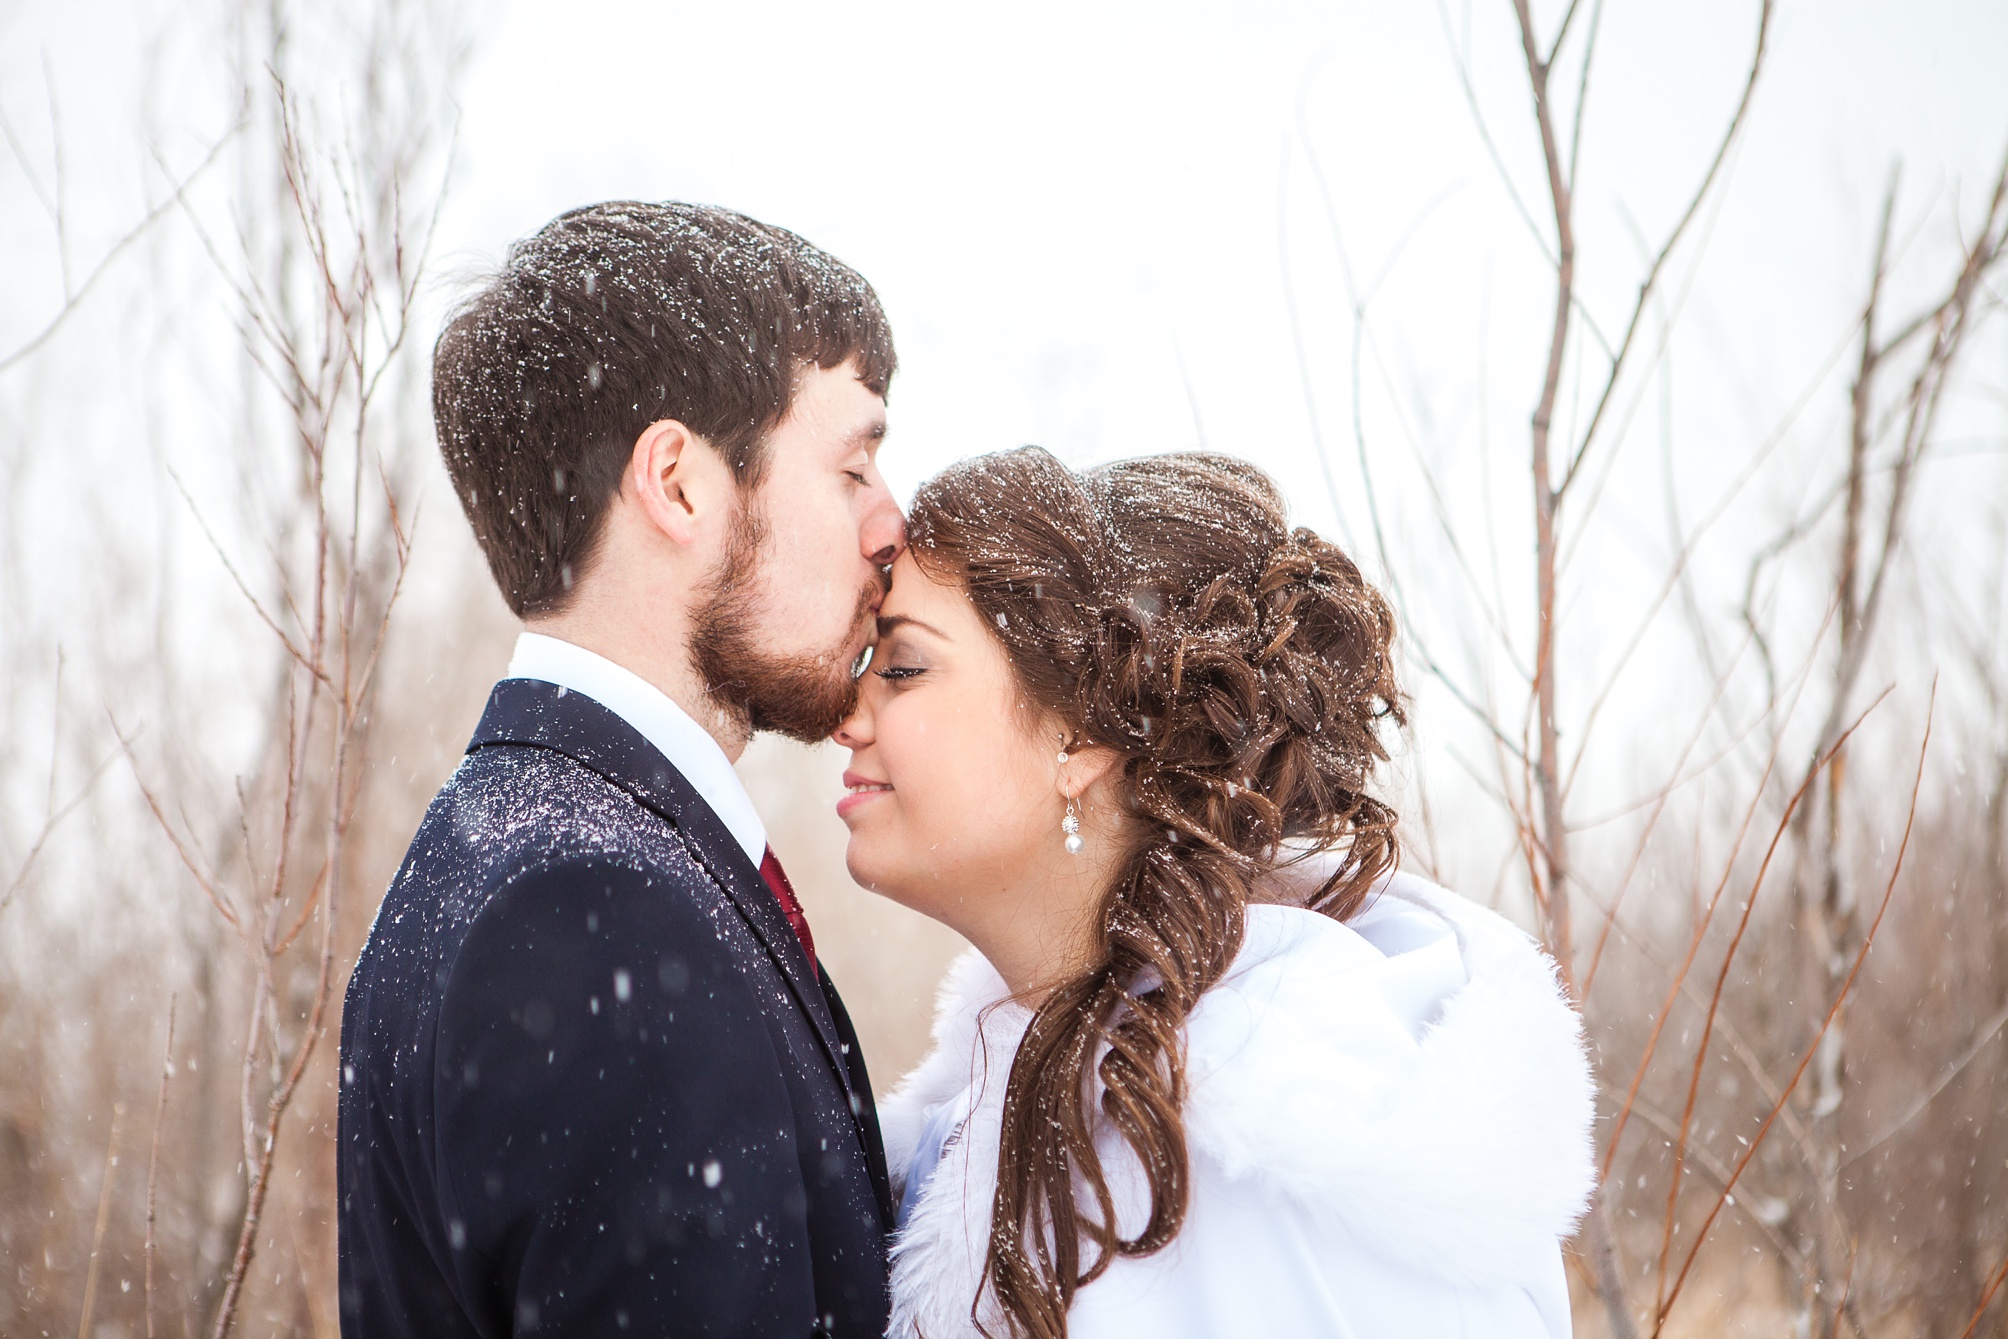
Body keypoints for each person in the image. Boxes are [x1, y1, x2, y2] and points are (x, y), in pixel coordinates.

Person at [834, 447, 1598, 1338]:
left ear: (1081, 738)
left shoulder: (1273, 1163)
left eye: (903, 667)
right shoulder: (998, 1108)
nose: (851, 716)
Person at [337, 202, 904, 1338]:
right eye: (851, 467)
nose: (891, 524)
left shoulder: (501, 847)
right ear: (680, 485)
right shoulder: (597, 908)